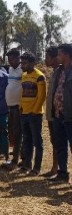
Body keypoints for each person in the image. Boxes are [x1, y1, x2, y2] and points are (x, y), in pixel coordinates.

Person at [18, 52, 46, 175]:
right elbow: (23, 93)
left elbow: (42, 96)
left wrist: (35, 111)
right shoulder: (23, 76)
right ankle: (26, 164)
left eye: (24, 63)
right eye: (21, 63)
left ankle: (37, 168)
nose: (22, 65)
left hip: (35, 114)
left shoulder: (40, 76)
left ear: (32, 63)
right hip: (24, 113)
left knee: (37, 141)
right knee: (27, 140)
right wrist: (21, 107)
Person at [49, 43, 72, 183]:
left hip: (70, 116)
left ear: (67, 55)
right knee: (61, 146)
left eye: (59, 54)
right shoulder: (58, 71)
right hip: (58, 115)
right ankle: (62, 173)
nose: (57, 57)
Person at [44, 46, 62, 177]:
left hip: (59, 114)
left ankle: (59, 169)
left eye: (48, 57)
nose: (45, 60)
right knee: (54, 141)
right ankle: (55, 168)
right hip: (51, 113)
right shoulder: (55, 72)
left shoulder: (62, 72)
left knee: (59, 142)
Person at [4, 48, 23, 167]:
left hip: (18, 107)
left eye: (12, 59)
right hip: (9, 106)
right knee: (11, 132)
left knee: (18, 133)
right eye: (9, 59)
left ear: (18, 58)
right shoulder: (10, 69)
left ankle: (16, 159)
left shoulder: (23, 70)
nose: (10, 62)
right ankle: (16, 154)